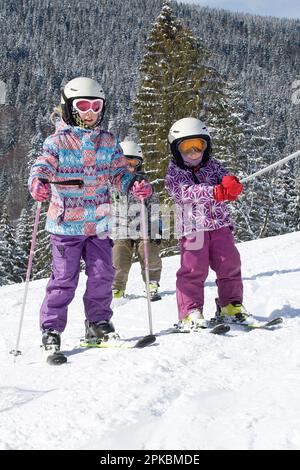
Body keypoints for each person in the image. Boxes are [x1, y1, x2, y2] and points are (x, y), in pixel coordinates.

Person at [28, 76, 152, 352]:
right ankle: (51, 328)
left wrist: (135, 184)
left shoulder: (108, 141)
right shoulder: (57, 141)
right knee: (64, 280)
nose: (90, 112)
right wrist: (38, 182)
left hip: (99, 224)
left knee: (102, 275)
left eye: (96, 106)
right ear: (69, 107)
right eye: (83, 105)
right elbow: (42, 166)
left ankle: (98, 324)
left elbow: (119, 173)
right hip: (65, 227)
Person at [165, 117, 254, 331]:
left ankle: (230, 305)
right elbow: (184, 193)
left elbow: (224, 179)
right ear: (177, 150)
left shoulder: (213, 165)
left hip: (220, 224)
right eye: (187, 147)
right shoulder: (175, 172)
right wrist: (214, 191)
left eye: (199, 145)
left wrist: (229, 185)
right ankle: (190, 311)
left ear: (207, 145)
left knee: (230, 264)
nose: (194, 152)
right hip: (193, 229)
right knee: (193, 269)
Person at [111, 140, 162, 301]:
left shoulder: (143, 184)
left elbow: (154, 205)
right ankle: (117, 288)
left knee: (149, 254)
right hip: (121, 230)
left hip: (144, 229)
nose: (130, 168)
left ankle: (151, 283)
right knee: (119, 259)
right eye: (126, 163)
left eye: (134, 163)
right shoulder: (113, 184)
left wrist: (157, 227)